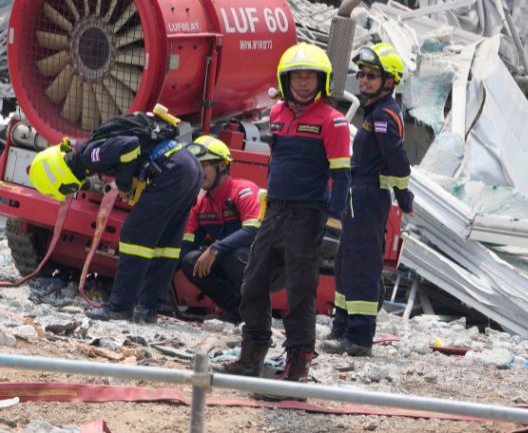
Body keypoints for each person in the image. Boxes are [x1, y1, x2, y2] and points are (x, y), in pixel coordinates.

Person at [220, 43, 351, 385]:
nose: (304, 83)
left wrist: (334, 225)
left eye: (311, 77)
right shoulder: (276, 114)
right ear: (285, 79)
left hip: (307, 217)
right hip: (274, 212)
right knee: (252, 284)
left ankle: (298, 367)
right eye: (298, 76)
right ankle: (252, 355)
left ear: (322, 81)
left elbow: (342, 177)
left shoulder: (333, 122)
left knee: (299, 294)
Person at [29, 111, 203, 324]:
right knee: (166, 244)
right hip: (189, 168)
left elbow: (128, 146)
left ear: (59, 175)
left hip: (171, 171)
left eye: (68, 187)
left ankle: (120, 308)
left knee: (133, 236)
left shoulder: (88, 155)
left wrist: (124, 185)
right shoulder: (90, 147)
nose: (76, 187)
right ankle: (148, 309)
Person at [322, 43, 413, 357]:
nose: (363, 80)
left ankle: (359, 337)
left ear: (389, 81)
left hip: (368, 195)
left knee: (361, 264)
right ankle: (342, 326)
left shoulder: (385, 116)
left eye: (371, 75)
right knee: (345, 260)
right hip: (356, 193)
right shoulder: (374, 112)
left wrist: (404, 194)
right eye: (360, 74)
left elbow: (398, 162)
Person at [179, 134, 262, 324]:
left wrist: (215, 248)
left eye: (203, 166)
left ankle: (256, 314)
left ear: (222, 165)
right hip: (229, 260)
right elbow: (186, 246)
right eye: (195, 167)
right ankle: (236, 311)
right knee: (189, 262)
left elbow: (252, 232)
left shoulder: (244, 191)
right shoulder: (200, 205)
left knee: (235, 255)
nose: (198, 172)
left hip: (266, 264)